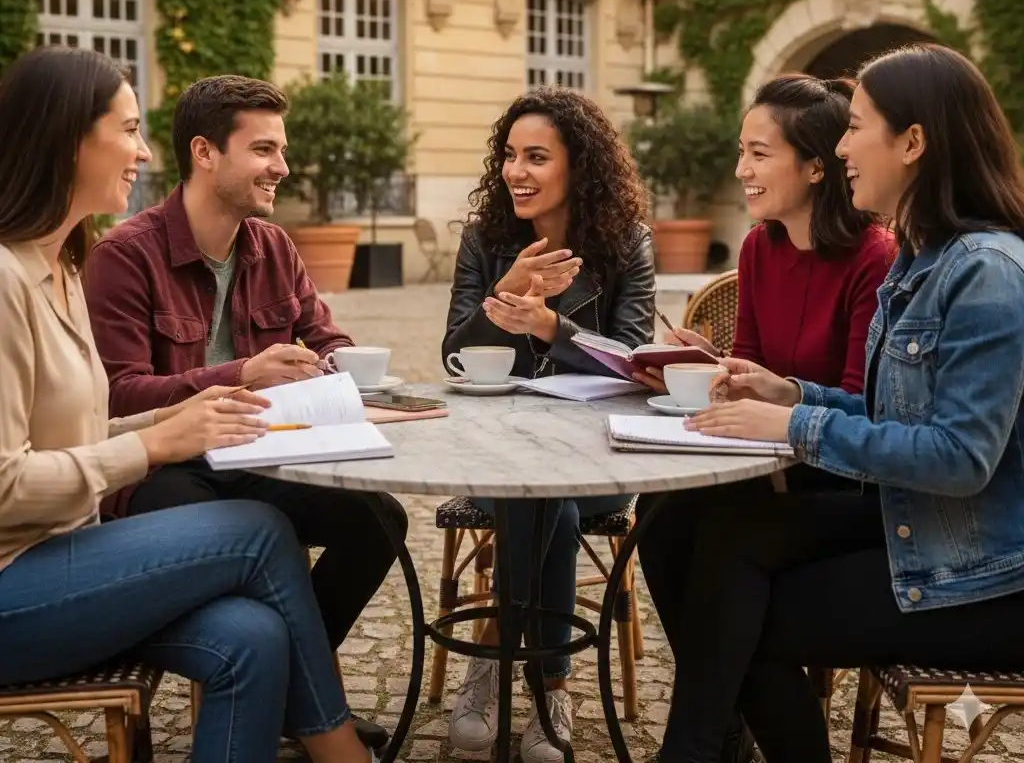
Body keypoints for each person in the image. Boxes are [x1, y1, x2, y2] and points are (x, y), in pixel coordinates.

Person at [0, 45, 376, 763]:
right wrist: (156, 444)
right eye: (129, 129)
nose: (143, 150)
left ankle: (314, 729)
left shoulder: (61, 267)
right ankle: (341, 752)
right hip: (15, 577)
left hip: (64, 550)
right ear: (68, 138)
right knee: (259, 530)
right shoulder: (7, 280)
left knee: (253, 638)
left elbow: (86, 428)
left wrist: (182, 416)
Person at [655, 44, 1024, 763]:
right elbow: (890, 418)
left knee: (734, 616)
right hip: (919, 521)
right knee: (716, 533)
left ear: (913, 143)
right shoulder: (928, 259)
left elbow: (960, 458)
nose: (843, 145)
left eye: (855, 127)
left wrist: (796, 423)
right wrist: (790, 392)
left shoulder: (987, 274)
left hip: (987, 573)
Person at [84, 74, 406, 752]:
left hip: (259, 453)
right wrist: (238, 374)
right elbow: (113, 397)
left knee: (379, 517)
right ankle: (312, 708)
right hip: (160, 468)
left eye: (279, 150)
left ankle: (293, 687)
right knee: (255, 528)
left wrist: (353, 373)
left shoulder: (273, 247)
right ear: (206, 153)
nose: (281, 167)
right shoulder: (125, 255)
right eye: (263, 150)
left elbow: (324, 337)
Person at [634, 74, 895, 761]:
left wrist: (775, 394)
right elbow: (746, 368)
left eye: (757, 153)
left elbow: (862, 402)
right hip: (764, 460)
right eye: (741, 151)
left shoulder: (874, 256)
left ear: (815, 165)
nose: (741, 170)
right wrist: (710, 366)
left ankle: (703, 741)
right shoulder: (759, 248)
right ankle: (719, 733)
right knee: (658, 517)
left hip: (841, 477)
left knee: (726, 554)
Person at [442, 87, 655, 762]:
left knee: (552, 495)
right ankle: (544, 680)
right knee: (535, 495)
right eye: (509, 156)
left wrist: (551, 326)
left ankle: (501, 658)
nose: (516, 172)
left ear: (578, 167)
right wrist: (505, 296)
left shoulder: (626, 247)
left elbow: (634, 363)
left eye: (537, 157)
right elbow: (453, 355)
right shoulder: (487, 240)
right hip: (499, 455)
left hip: (598, 457)